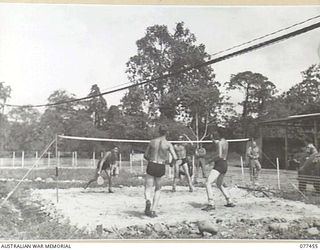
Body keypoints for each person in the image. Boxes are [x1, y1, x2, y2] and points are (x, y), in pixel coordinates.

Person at [144, 125, 177, 218]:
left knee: (148, 187)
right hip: (161, 165)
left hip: (152, 164)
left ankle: (148, 200)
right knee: (158, 188)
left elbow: (145, 155)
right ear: (167, 133)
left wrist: (151, 159)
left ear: (158, 132)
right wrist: (170, 163)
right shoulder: (168, 144)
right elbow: (175, 157)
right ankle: (153, 210)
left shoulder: (152, 142)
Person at [202, 130, 235, 211]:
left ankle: (211, 203)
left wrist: (210, 160)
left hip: (219, 164)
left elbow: (219, 155)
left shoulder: (219, 143)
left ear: (215, 137)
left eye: (212, 138)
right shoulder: (226, 142)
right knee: (219, 184)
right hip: (224, 164)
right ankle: (229, 201)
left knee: (208, 183)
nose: (212, 141)